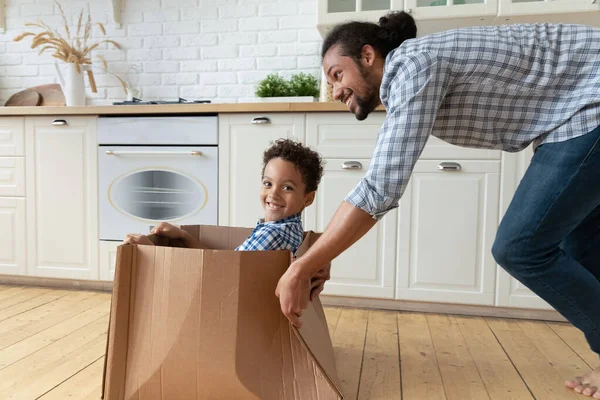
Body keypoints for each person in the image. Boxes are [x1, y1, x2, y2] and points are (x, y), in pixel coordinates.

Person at [273, 11, 600, 398]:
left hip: (588, 108)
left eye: (336, 75)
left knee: (521, 246)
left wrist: (304, 266)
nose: (335, 91)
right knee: (580, 245)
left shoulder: (412, 64)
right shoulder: (418, 67)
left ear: (367, 56)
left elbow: (381, 187)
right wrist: (321, 255)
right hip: (575, 115)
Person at [124, 138, 325, 259]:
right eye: (267, 183)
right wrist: (184, 237)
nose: (273, 194)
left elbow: (223, 271)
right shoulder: (290, 229)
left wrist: (148, 249)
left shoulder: (273, 235)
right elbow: (225, 263)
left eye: (287, 187)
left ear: (307, 199)